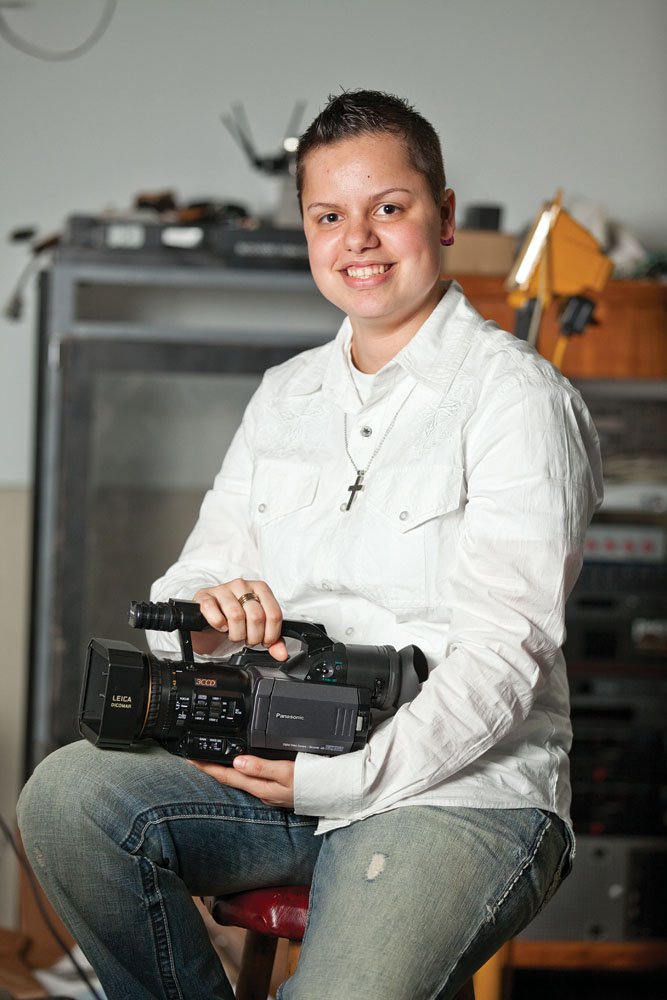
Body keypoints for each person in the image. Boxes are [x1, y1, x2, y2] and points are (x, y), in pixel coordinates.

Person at [17, 89, 602, 1000]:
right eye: (330, 215)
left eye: (388, 209)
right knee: (65, 798)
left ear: (441, 217)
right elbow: (196, 573)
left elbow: (504, 655)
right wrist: (206, 621)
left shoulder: (516, 400)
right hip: (274, 771)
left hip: (455, 793)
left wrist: (346, 781)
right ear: (306, 230)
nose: (357, 239)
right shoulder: (284, 395)